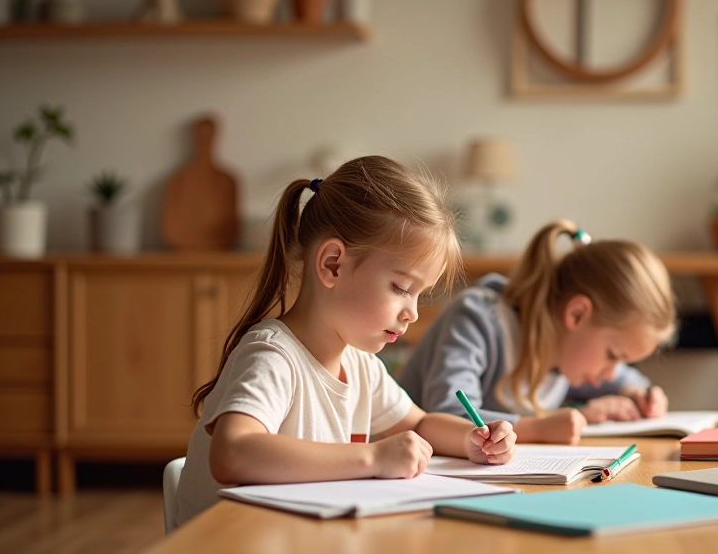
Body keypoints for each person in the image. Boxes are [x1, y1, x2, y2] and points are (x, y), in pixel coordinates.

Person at [175, 156, 516, 526]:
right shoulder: (273, 356)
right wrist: (372, 458)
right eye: (401, 288)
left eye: (420, 294)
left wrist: (472, 440)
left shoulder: (359, 364)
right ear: (333, 264)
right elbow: (232, 454)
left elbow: (418, 425)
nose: (412, 313)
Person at [398, 219, 676, 445]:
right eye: (613, 355)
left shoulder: (564, 351)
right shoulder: (478, 320)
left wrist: (640, 391)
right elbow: (448, 414)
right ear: (577, 314)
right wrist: (537, 429)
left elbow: (619, 380)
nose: (611, 372)